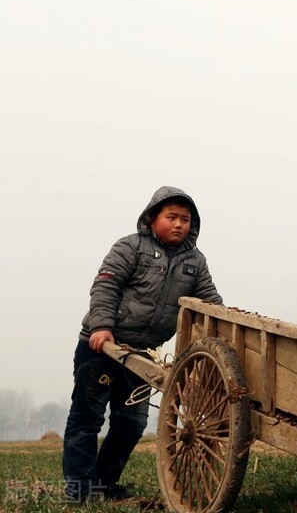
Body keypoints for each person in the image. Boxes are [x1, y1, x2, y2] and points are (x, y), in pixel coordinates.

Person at [63, 186, 222, 503]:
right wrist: (102, 327)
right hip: (103, 347)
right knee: (87, 417)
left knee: (130, 423)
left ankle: (104, 484)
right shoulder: (130, 247)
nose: (179, 224)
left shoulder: (195, 261)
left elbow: (210, 302)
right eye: (171, 217)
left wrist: (225, 326)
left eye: (185, 219)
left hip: (141, 356)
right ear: (152, 218)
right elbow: (105, 286)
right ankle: (81, 489)